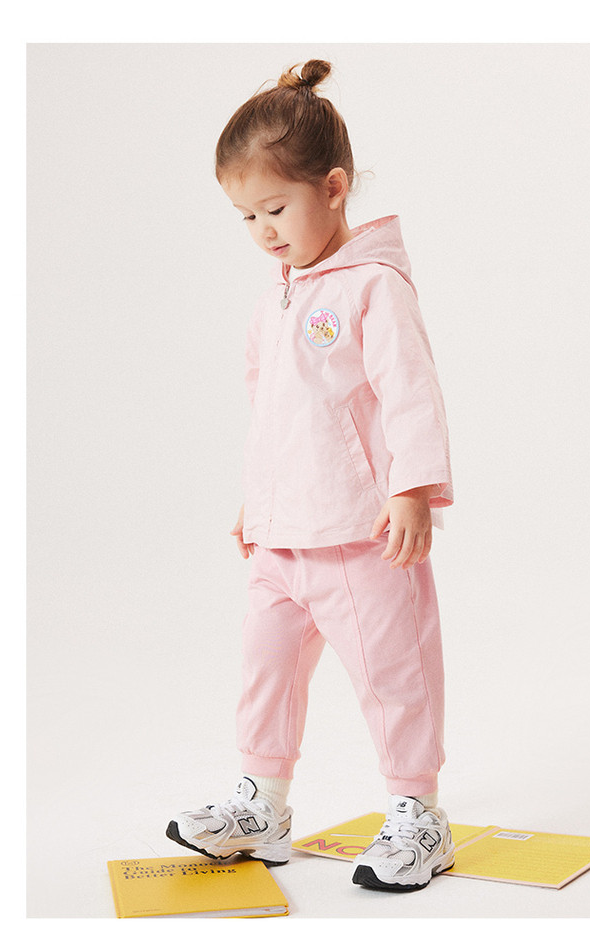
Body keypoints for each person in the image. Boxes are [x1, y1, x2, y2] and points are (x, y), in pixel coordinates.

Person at [167, 59, 455, 892]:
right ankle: (262, 805)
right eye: (246, 216)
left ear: (334, 188)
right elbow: (272, 406)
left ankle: (418, 812)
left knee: (394, 673)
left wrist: (412, 488)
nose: (263, 230)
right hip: (281, 536)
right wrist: (255, 499)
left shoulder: (373, 286)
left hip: (362, 532)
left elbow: (410, 391)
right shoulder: (278, 293)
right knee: (266, 673)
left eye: (275, 208)